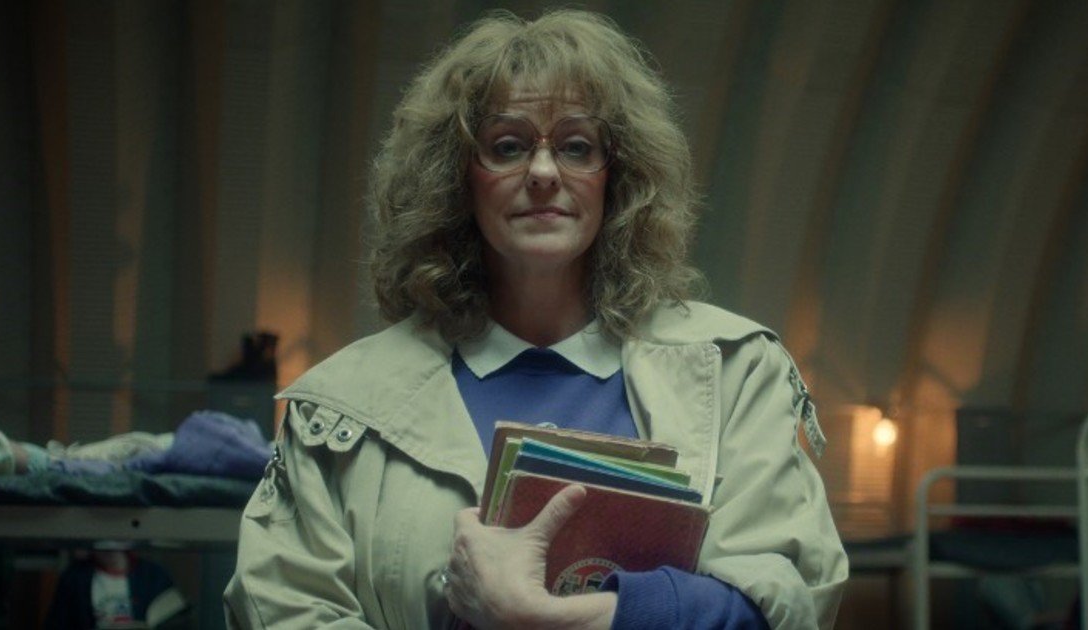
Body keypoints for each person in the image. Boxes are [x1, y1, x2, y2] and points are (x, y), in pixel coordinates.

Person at [225, 9, 847, 629]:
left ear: (618, 177)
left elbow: (780, 602)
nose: (544, 173)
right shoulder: (343, 408)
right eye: (508, 146)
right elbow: (283, 610)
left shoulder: (733, 371)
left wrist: (542, 619)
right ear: (457, 178)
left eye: (577, 147)